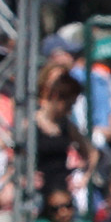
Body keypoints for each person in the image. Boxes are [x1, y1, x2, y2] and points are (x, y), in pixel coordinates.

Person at [30, 63, 91, 208]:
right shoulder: (31, 123)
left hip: (63, 192)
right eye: (68, 105)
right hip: (37, 194)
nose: (69, 110)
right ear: (57, 97)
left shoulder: (66, 125)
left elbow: (91, 153)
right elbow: (14, 154)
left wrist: (83, 178)